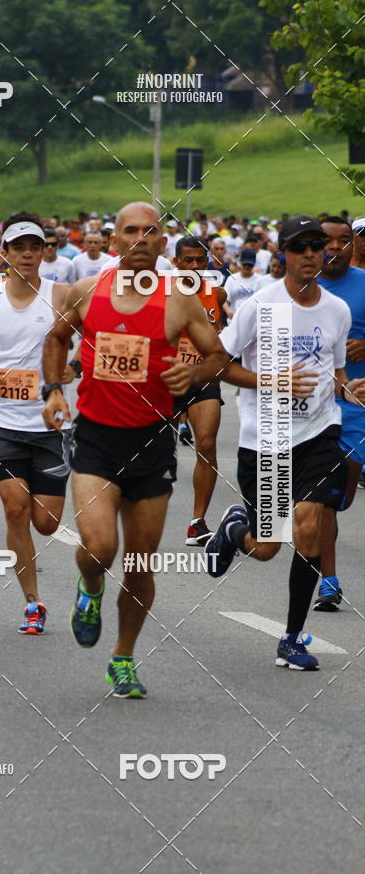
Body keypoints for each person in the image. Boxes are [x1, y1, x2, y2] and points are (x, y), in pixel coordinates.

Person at [42, 201, 229, 698]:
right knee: (99, 549)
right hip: (97, 439)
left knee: (140, 562)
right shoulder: (87, 291)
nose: (141, 239)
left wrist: (194, 373)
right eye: (131, 231)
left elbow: (218, 356)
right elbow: (56, 338)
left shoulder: (180, 300)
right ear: (115, 239)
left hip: (152, 442)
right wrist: (53, 390)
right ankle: (91, 587)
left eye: (152, 232)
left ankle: (122, 657)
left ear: (163, 243)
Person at [207, 215, 365, 671]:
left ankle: (292, 637)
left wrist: (349, 389)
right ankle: (237, 530)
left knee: (311, 525)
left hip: (319, 435)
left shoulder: (337, 310)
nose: (312, 253)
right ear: (283, 255)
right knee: (267, 547)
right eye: (301, 247)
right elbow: (218, 363)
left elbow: (336, 375)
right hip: (268, 440)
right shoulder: (262, 305)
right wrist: (268, 379)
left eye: (317, 245)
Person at [0, 214, 72, 636]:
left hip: (49, 427)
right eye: (18, 247)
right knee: (15, 510)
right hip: (2, 425)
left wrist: (72, 368)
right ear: (4, 253)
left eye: (34, 247)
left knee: (46, 523)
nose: (26, 254)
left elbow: (94, 339)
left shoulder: (62, 297)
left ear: (45, 252)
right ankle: (32, 603)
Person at [316, 216, 365, 610]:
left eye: (343, 241)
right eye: (326, 241)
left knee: (342, 494)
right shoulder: (297, 289)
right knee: (323, 500)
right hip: (307, 410)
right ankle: (328, 580)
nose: (334, 248)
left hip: (355, 408)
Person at [172, 237, 227, 545]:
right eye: (188, 261)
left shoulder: (216, 294)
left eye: (199, 261)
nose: (194, 266)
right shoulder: (162, 294)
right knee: (155, 451)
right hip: (166, 379)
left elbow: (220, 332)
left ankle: (197, 522)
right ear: (176, 261)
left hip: (203, 378)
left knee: (206, 444)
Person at [223, 248, 260, 317]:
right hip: (234, 319)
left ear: (254, 263)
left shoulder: (260, 280)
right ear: (240, 262)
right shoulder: (231, 279)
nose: (247, 266)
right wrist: (228, 311)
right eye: (245, 264)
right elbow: (225, 300)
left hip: (253, 319)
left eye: (250, 264)